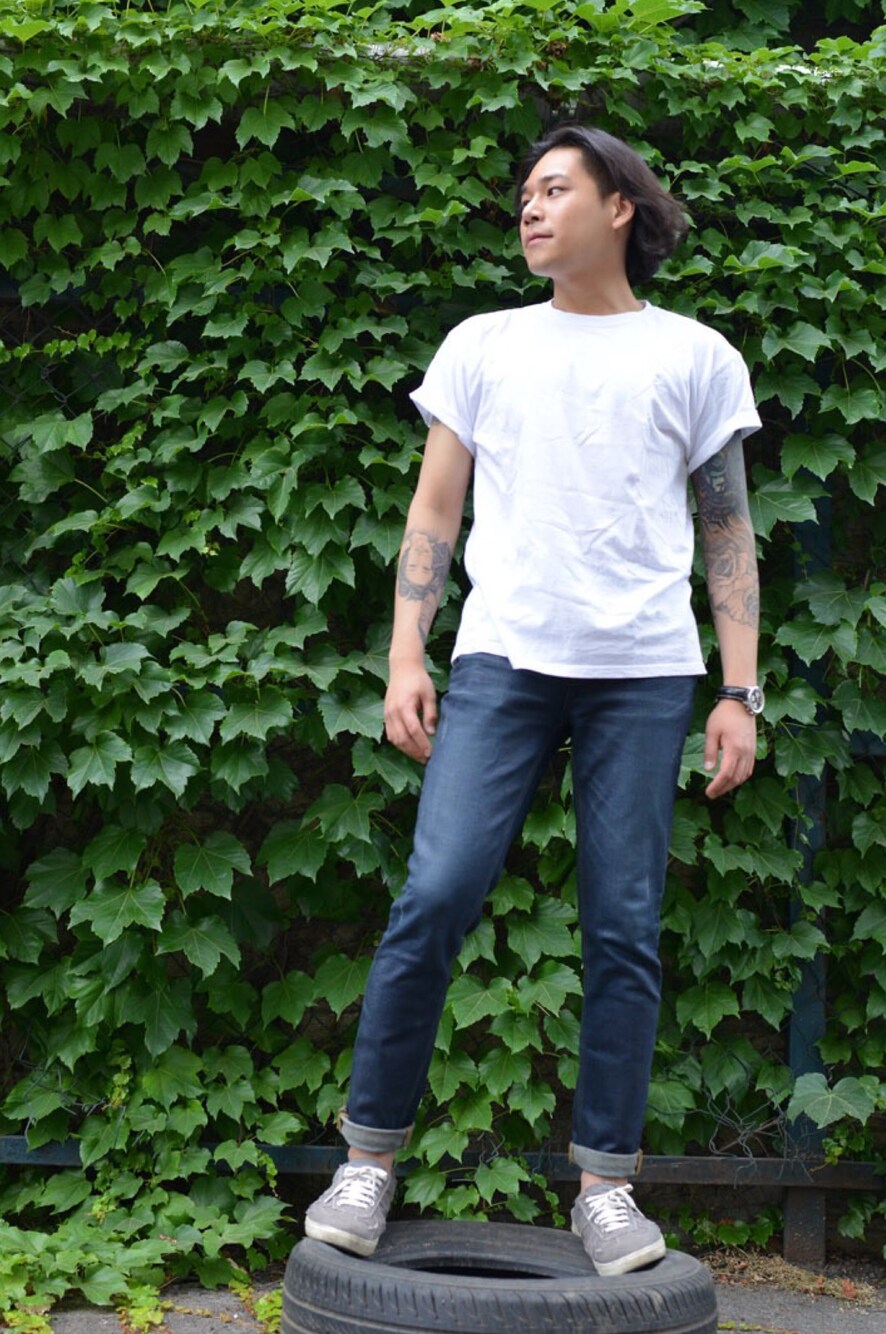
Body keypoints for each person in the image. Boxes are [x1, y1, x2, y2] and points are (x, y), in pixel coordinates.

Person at [304, 124, 763, 1277]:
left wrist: (739, 688)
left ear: (619, 207)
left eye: (555, 188)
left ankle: (605, 1185)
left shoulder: (694, 355)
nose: (530, 206)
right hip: (502, 661)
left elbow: (726, 528)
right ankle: (366, 1160)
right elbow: (434, 510)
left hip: (644, 672)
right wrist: (405, 654)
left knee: (622, 924)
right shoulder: (483, 345)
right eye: (524, 192)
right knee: (435, 893)